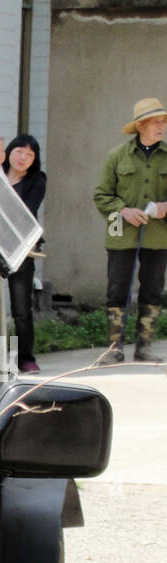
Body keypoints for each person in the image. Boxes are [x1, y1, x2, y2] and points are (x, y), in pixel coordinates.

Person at [93, 97, 167, 364]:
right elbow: (101, 195)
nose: (162, 127)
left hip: (158, 236)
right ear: (140, 126)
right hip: (121, 235)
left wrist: (164, 207)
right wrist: (124, 210)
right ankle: (114, 348)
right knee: (117, 290)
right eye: (156, 122)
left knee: (153, 290)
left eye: (163, 122)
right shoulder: (116, 156)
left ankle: (144, 348)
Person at [2, 134, 46, 373]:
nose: (23, 158)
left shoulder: (38, 179)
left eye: (30, 155)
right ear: (9, 151)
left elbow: (26, 210)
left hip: (22, 248)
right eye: (20, 151)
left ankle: (25, 357)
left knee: (21, 307)